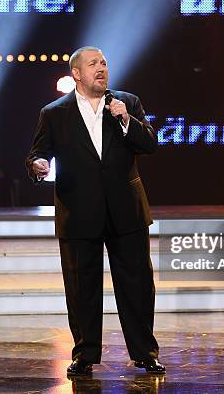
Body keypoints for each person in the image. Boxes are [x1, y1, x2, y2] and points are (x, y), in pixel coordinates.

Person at [26, 46, 164, 376]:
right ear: (77, 74)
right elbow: (35, 153)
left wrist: (126, 120)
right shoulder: (54, 113)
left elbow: (150, 143)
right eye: (93, 64)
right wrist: (38, 165)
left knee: (137, 286)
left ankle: (145, 352)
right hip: (79, 210)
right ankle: (85, 353)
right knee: (81, 287)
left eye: (104, 62)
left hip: (126, 210)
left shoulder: (126, 103)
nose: (101, 68)